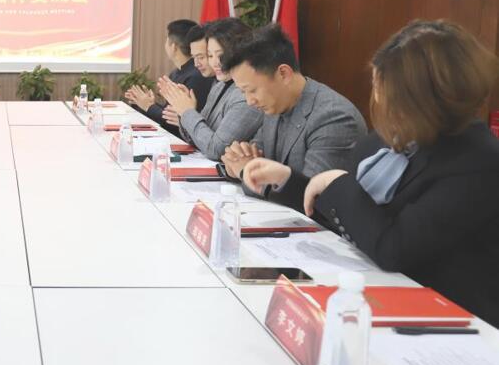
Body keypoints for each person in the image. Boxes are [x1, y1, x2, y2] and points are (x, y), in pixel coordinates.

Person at [243, 20, 499, 327]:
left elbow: (394, 247)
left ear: (425, 97)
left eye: (384, 90)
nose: (377, 99)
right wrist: (288, 180)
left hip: (448, 318)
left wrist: (336, 183)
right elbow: (346, 213)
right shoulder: (389, 139)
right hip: (375, 293)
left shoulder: (477, 161)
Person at [220, 24, 366, 197]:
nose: (249, 101)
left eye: (252, 90)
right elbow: (253, 155)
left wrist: (245, 172)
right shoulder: (275, 104)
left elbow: (312, 198)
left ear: (283, 73)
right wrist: (236, 159)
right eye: (243, 92)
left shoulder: (333, 117)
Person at [160, 18, 263, 160]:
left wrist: (187, 112)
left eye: (220, 55)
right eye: (210, 55)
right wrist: (185, 111)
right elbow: (196, 138)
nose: (214, 62)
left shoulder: (246, 96)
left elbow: (216, 149)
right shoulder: (219, 85)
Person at [125, 19, 214, 132]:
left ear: (173, 46)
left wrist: (149, 106)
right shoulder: (176, 72)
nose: (197, 63)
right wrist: (147, 103)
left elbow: (177, 123)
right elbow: (171, 113)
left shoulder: (197, 75)